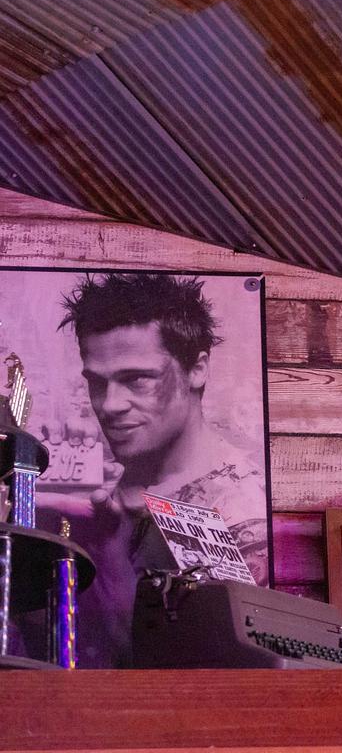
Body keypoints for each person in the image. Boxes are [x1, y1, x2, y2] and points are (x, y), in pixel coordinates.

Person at [33, 272, 269, 667]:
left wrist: (108, 554)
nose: (109, 405)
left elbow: (200, 676)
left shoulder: (240, 515)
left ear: (197, 370)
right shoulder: (110, 487)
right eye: (97, 383)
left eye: (136, 379)